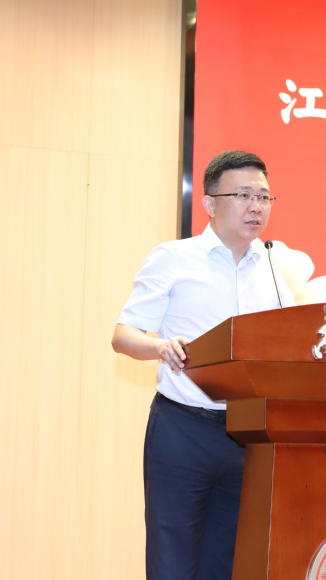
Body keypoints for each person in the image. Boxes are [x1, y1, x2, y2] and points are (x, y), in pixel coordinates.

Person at [111, 150, 294, 580]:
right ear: (210, 203)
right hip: (182, 430)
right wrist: (161, 347)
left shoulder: (272, 269)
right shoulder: (174, 258)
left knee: (228, 563)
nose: (256, 206)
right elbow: (123, 336)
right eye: (243, 195)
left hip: (247, 436)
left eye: (264, 197)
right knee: (172, 560)